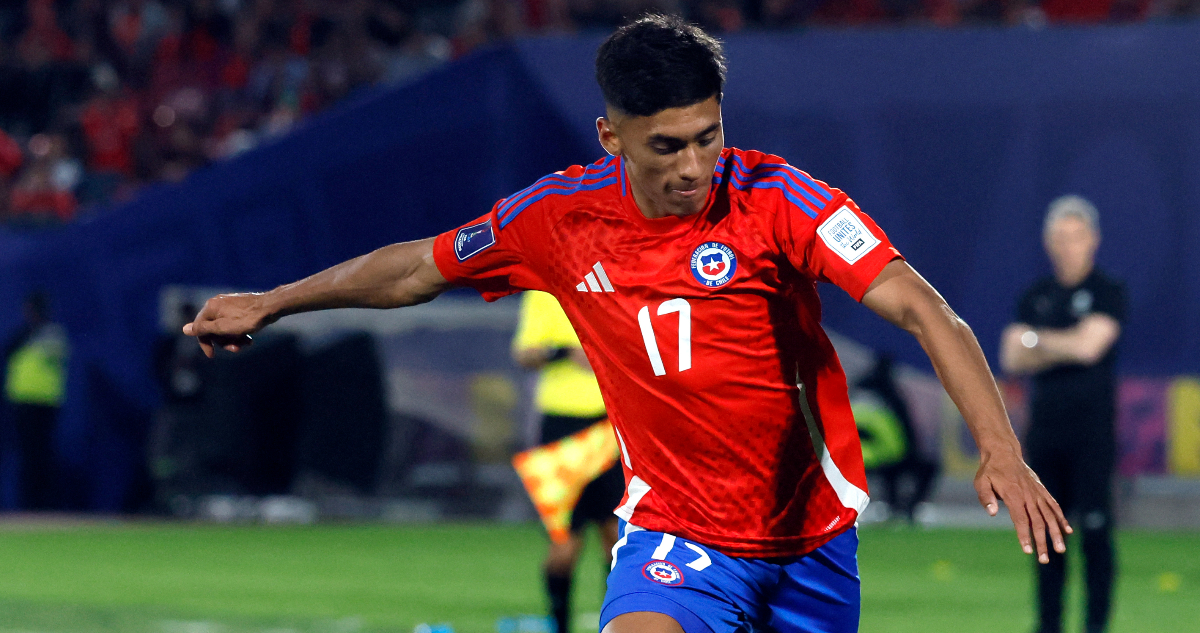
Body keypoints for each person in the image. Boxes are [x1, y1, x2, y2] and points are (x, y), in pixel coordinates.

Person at [184, 15, 1070, 633]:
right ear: (612, 137)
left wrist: (1000, 448)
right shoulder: (556, 219)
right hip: (677, 530)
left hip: (812, 538)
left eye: (707, 136)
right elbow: (418, 267)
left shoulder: (779, 199)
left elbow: (922, 307)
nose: (694, 166)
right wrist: (275, 300)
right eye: (667, 146)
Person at [1000, 195, 1124, 633]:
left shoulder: (1107, 291)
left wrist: (1036, 341)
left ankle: (1095, 625)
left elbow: (1090, 347)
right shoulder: (1036, 296)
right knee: (1047, 535)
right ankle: (1048, 625)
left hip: (1092, 434)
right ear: (1048, 243)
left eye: (1076, 236)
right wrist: (1062, 343)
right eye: (1060, 237)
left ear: (1093, 240)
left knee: (1095, 532)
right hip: (1046, 433)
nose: (1068, 246)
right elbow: (1010, 356)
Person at [512, 290, 623, 633]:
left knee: (617, 540)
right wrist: (565, 352)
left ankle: (616, 623)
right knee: (563, 545)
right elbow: (524, 353)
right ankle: (559, 625)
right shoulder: (543, 292)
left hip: (611, 425)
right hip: (561, 429)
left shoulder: (612, 286)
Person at [2, 291, 68, 510]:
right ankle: (28, 504)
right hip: (23, 402)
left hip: (45, 402)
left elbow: (54, 354)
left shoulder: (53, 333)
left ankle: (43, 504)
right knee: (27, 455)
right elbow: (7, 352)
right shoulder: (22, 333)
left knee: (42, 455)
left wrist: (33, 333)